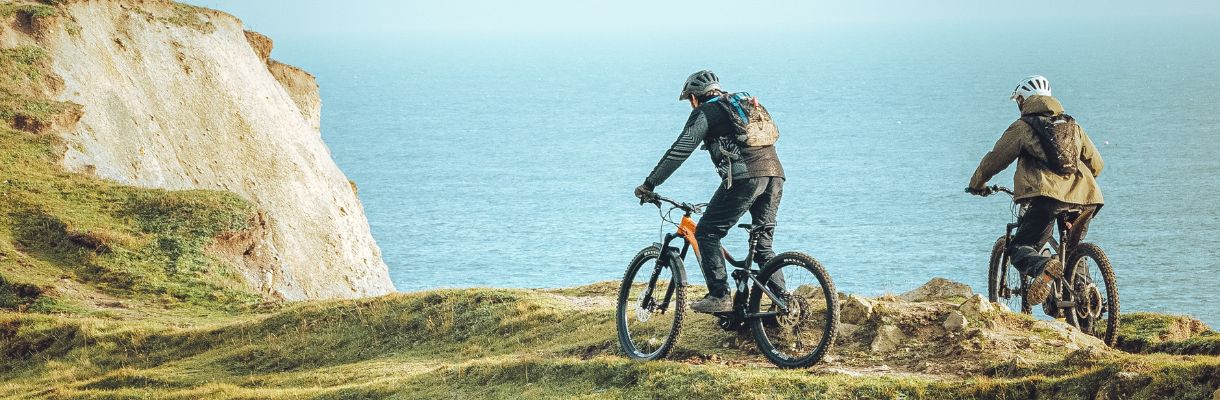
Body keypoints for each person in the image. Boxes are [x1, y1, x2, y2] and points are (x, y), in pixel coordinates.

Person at [634, 70, 786, 313]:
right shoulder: (742, 106)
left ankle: (719, 295)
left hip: (745, 178)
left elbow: (680, 150)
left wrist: (650, 184)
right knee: (763, 246)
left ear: (694, 98)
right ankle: (785, 305)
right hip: (775, 175)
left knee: (707, 232)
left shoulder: (706, 112)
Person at [967, 75, 1105, 305]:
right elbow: (1097, 164)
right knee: (1071, 249)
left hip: (1047, 197)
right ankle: (1086, 303)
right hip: (1087, 198)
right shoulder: (1072, 125)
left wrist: (976, 184)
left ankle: (1045, 267)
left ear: (1023, 100)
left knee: (1020, 247)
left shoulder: (1023, 127)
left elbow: (995, 160)